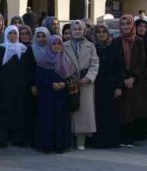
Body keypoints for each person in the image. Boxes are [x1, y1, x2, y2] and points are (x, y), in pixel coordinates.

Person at [63, 20, 99, 151]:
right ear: (71, 31)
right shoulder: (64, 45)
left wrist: (89, 78)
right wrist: (69, 77)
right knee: (71, 112)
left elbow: (95, 64)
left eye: (80, 29)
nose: (77, 31)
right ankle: (69, 139)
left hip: (85, 84)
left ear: (84, 31)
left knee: (84, 113)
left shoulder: (90, 46)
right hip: (70, 83)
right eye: (75, 29)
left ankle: (81, 140)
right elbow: (61, 62)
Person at [114, 15, 147, 148]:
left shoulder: (139, 41)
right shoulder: (116, 42)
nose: (125, 27)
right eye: (122, 24)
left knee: (135, 108)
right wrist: (124, 79)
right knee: (123, 110)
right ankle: (124, 137)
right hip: (122, 80)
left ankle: (134, 137)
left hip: (136, 81)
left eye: (128, 24)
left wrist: (133, 77)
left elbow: (141, 61)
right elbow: (117, 63)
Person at [33, 35, 73, 154]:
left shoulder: (66, 60)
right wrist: (51, 85)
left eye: (59, 44)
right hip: (47, 97)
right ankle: (47, 145)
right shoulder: (42, 61)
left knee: (61, 121)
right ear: (50, 45)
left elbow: (72, 78)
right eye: (54, 44)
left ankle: (60, 145)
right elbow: (38, 79)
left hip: (62, 97)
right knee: (47, 120)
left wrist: (64, 84)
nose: (57, 46)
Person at [0, 25, 28, 148]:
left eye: (15, 33)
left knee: (18, 112)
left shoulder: (23, 49)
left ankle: (17, 137)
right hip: (3, 87)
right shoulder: (0, 49)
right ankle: (1, 137)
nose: (13, 35)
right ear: (6, 35)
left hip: (19, 87)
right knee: (3, 112)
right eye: (10, 33)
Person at [90, 24, 124, 149]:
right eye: (98, 32)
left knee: (111, 114)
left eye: (104, 31)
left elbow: (120, 70)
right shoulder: (92, 49)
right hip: (97, 86)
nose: (101, 34)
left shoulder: (115, 49)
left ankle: (111, 141)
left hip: (111, 87)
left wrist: (119, 86)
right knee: (98, 114)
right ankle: (98, 141)